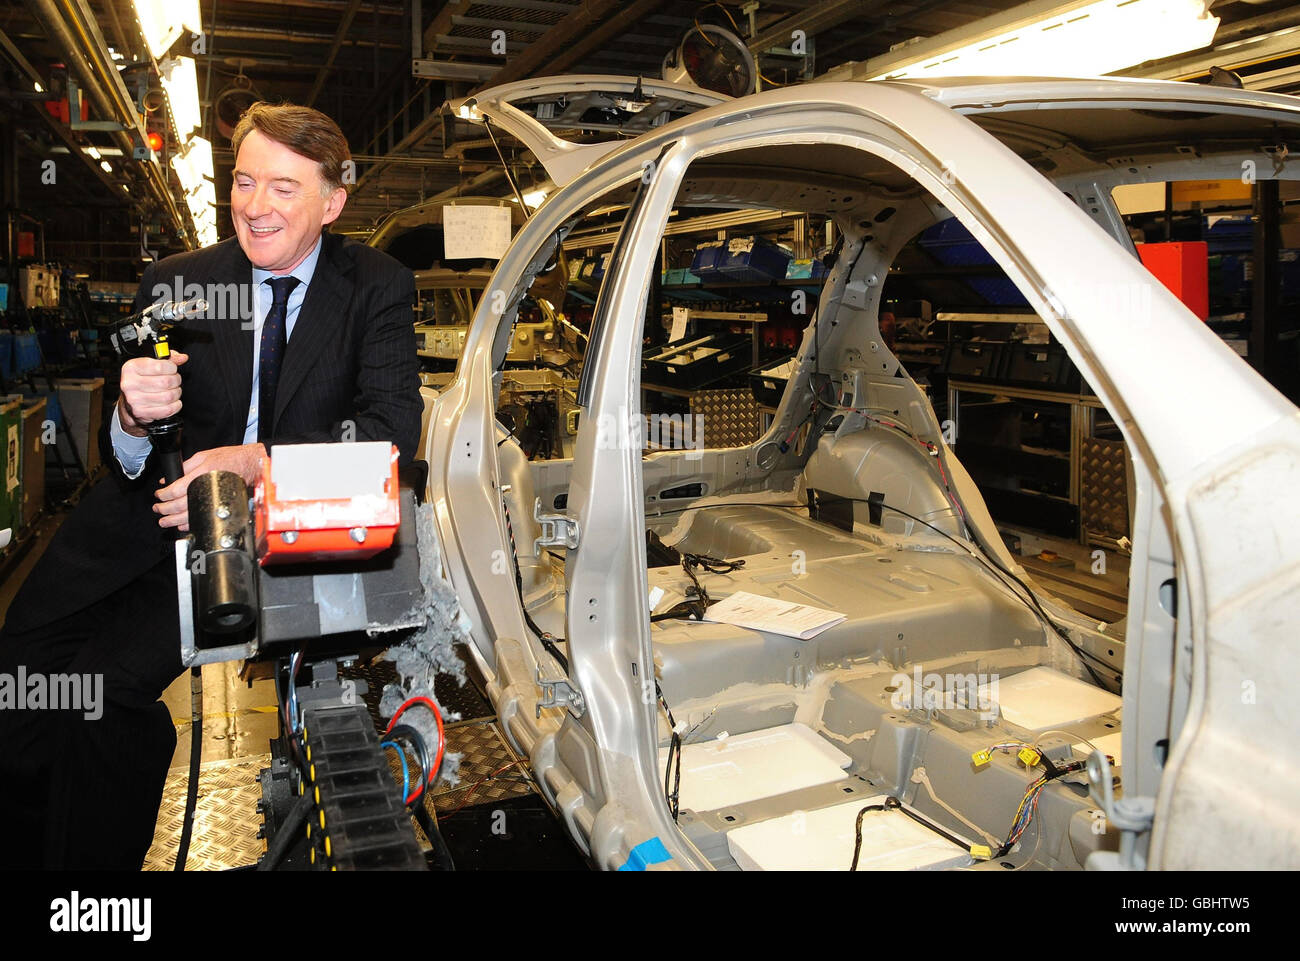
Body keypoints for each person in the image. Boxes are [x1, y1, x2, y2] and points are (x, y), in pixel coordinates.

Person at [0, 102, 422, 870]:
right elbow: (119, 447)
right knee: (22, 675)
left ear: (333, 202)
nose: (255, 208)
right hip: (143, 523)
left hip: (262, 537)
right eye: (244, 181)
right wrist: (131, 412)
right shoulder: (178, 282)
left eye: (284, 189)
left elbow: (392, 436)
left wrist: (257, 462)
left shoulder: (376, 287)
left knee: (102, 697)